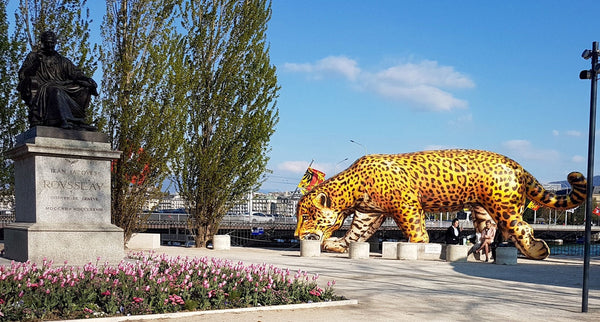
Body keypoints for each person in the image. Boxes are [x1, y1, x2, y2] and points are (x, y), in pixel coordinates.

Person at [17, 30, 98, 130]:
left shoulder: (61, 60)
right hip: (45, 87)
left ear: (55, 43)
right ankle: (64, 120)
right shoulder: (33, 57)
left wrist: (87, 79)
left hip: (62, 85)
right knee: (56, 91)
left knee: (83, 88)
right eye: (47, 43)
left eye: (52, 43)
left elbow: (75, 73)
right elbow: (23, 74)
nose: (50, 45)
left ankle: (77, 121)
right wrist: (36, 64)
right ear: (42, 43)